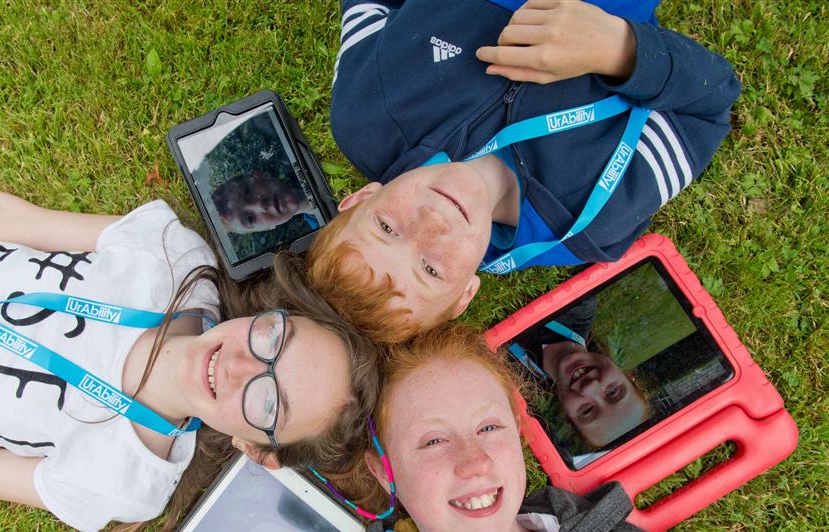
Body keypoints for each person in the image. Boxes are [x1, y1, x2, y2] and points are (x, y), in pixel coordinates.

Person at [0, 169, 379, 532]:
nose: (240, 367)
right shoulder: (172, 258)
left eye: (268, 403)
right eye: (274, 340)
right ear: (278, 313)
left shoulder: (125, 480)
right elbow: (9, 222)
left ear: (255, 448)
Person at [314, 324, 762, 532]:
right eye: (433, 441)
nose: (474, 462)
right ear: (383, 470)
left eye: (489, 428)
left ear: (518, 435)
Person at [306, 0, 741, 342]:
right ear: (465, 296)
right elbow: (711, 104)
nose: (431, 224)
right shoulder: (595, 222)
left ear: (360, 198)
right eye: (431, 270)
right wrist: (619, 49)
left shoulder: (365, 114)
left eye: (386, 227)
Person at [509, 295, 651, 457]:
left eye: (587, 410)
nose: (590, 387)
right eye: (613, 392)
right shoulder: (579, 306)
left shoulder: (510, 383)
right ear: (626, 374)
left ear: (567, 415)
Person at [212, 170, 313, 234]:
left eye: (247, 192)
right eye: (250, 219)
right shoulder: (324, 236)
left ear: (259, 174)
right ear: (268, 228)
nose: (259, 205)